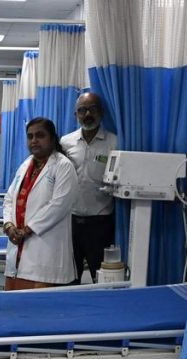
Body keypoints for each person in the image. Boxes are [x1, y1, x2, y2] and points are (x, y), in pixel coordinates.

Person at [2, 117, 78, 290]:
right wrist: (9, 226)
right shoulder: (25, 165)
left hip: (45, 250)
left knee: (38, 303)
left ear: (52, 139)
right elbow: (9, 199)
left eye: (40, 135)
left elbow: (59, 206)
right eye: (30, 136)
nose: (34, 140)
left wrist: (26, 230)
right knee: (12, 302)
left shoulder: (63, 166)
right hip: (17, 248)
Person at [59, 92, 118, 283]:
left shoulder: (114, 142)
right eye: (82, 110)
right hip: (70, 221)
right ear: (75, 114)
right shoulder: (65, 142)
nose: (87, 114)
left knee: (100, 278)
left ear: (101, 112)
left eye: (92, 109)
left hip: (100, 223)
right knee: (68, 278)